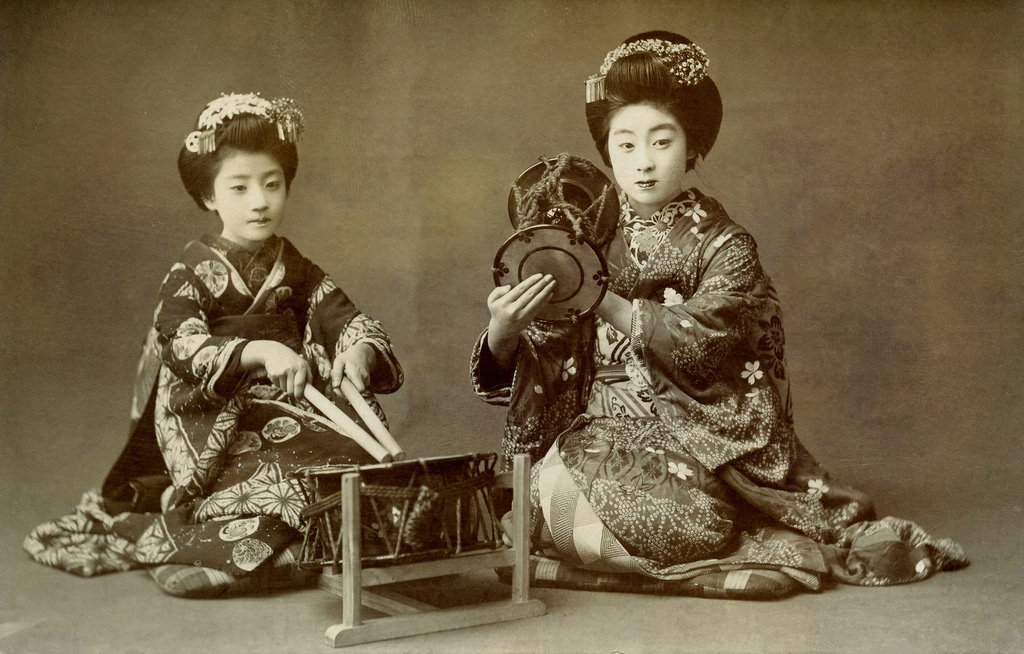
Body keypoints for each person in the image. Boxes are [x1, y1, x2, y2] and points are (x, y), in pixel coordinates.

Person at [472, 32, 967, 598]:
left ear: (694, 148)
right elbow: (550, 355)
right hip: (592, 436)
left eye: (662, 142)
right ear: (607, 152)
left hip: (694, 441)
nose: (644, 163)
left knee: (695, 521)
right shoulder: (582, 239)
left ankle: (579, 533)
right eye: (625, 144)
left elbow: (712, 340)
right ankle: (569, 511)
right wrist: (504, 331)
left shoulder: (725, 246)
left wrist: (604, 301)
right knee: (547, 492)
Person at [24, 93, 403, 597]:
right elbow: (180, 344)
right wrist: (257, 352)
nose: (259, 201)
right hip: (221, 419)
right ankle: (252, 550)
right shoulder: (190, 273)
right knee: (281, 482)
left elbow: (343, 317)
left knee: (357, 457)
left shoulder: (298, 268)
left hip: (297, 403)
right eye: (240, 187)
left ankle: (292, 551)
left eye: (273, 185)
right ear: (209, 197)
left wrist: (359, 352)